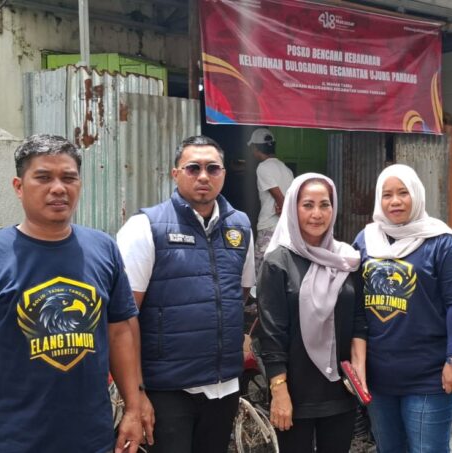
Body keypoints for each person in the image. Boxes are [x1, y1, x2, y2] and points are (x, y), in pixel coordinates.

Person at [0, 135, 143, 453]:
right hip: (13, 442)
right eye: (44, 177)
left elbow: (119, 332)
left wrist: (133, 406)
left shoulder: (103, 248)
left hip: (93, 440)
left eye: (68, 178)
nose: (58, 188)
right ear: (18, 186)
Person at [116, 135, 255, 453]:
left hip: (224, 386)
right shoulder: (146, 227)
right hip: (167, 388)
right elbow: (123, 319)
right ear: (175, 173)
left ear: (223, 174)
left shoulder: (240, 226)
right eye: (193, 168)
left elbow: (240, 293)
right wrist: (136, 396)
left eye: (213, 168)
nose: (203, 176)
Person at [353, 164, 452, 452]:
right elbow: (355, 304)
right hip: (378, 376)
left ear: (416, 194)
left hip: (428, 375)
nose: (395, 201)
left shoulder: (443, 242)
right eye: (387, 195)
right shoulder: (366, 240)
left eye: (403, 193)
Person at [256, 173, 366, 453]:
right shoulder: (278, 262)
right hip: (295, 392)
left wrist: (359, 372)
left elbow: (358, 321)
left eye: (324, 204)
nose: (317, 214)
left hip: (340, 390)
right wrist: (279, 389)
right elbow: (272, 333)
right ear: (293, 208)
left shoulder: (346, 260)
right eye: (307, 205)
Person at [250, 128, 294, 271]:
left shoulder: (263, 167)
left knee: (261, 269)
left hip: (269, 225)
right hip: (284, 227)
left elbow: (278, 196)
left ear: (255, 148)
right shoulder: (285, 168)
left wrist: (283, 211)